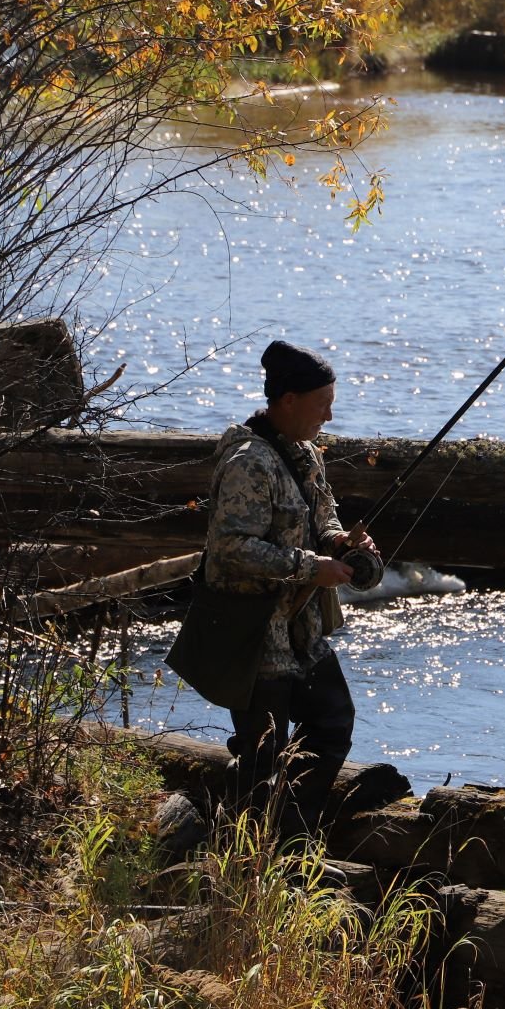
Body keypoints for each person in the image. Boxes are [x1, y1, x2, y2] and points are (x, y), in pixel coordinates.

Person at [205, 339, 383, 841]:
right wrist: (312, 567)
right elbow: (232, 549)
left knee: (331, 723)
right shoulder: (248, 461)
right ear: (288, 400)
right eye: (321, 402)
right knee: (261, 754)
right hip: (254, 631)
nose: (329, 414)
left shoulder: (306, 455)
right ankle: (243, 854)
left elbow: (322, 519)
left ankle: (286, 838)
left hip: (301, 629)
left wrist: (341, 543)